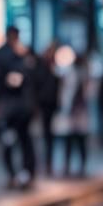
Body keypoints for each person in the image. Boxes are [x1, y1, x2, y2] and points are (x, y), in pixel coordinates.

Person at [0, 26, 36, 189]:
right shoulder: (16, 55)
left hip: (10, 107)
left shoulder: (5, 54)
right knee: (22, 140)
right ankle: (23, 172)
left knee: (11, 141)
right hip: (18, 107)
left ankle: (14, 174)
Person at [54, 49, 94, 176]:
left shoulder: (85, 75)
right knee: (70, 140)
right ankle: (68, 166)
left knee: (80, 141)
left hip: (81, 112)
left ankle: (80, 166)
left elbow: (87, 94)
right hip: (71, 112)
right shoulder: (70, 73)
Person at [34, 41, 62, 175]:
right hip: (43, 104)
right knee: (41, 134)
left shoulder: (56, 67)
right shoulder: (41, 66)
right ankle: (42, 162)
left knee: (49, 135)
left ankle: (48, 161)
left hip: (51, 105)